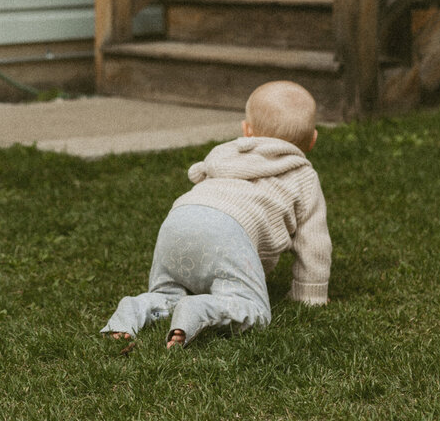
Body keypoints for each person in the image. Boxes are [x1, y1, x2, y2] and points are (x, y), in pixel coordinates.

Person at [101, 80, 331, 350]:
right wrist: (310, 295)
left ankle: (133, 311)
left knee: (168, 293)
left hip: (179, 218)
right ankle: (203, 308)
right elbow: (314, 244)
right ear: (313, 140)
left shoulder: (224, 154)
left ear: (247, 131)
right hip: (230, 232)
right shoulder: (303, 176)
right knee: (254, 309)